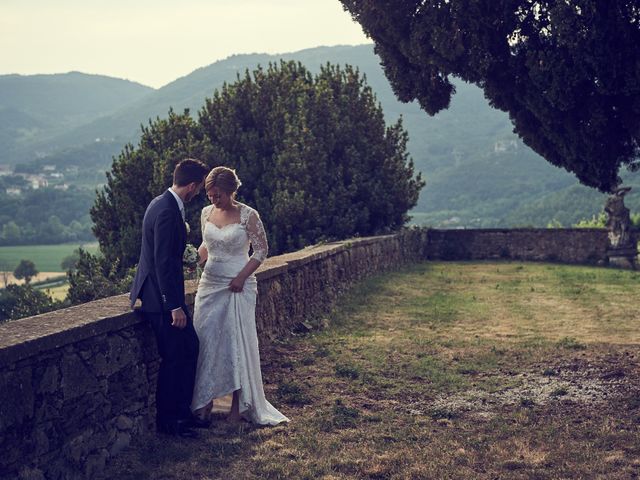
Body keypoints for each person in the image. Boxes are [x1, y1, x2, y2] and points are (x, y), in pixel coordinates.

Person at [191, 166, 289, 426]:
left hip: (238, 285)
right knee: (206, 341)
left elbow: (260, 250)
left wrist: (241, 277)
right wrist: (194, 260)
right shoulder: (205, 213)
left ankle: (238, 406)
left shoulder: (248, 215)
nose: (214, 200)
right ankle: (205, 401)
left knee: (236, 343)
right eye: (210, 196)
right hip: (209, 284)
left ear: (231, 191)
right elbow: (207, 245)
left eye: (218, 195)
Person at [130, 158, 210, 437]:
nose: (198, 193)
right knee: (176, 356)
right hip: (160, 301)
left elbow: (168, 255)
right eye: (198, 187)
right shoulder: (166, 210)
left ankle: (182, 415)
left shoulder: (161, 203)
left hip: (161, 298)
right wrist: (174, 306)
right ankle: (171, 422)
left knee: (188, 349)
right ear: (191, 185)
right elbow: (162, 262)